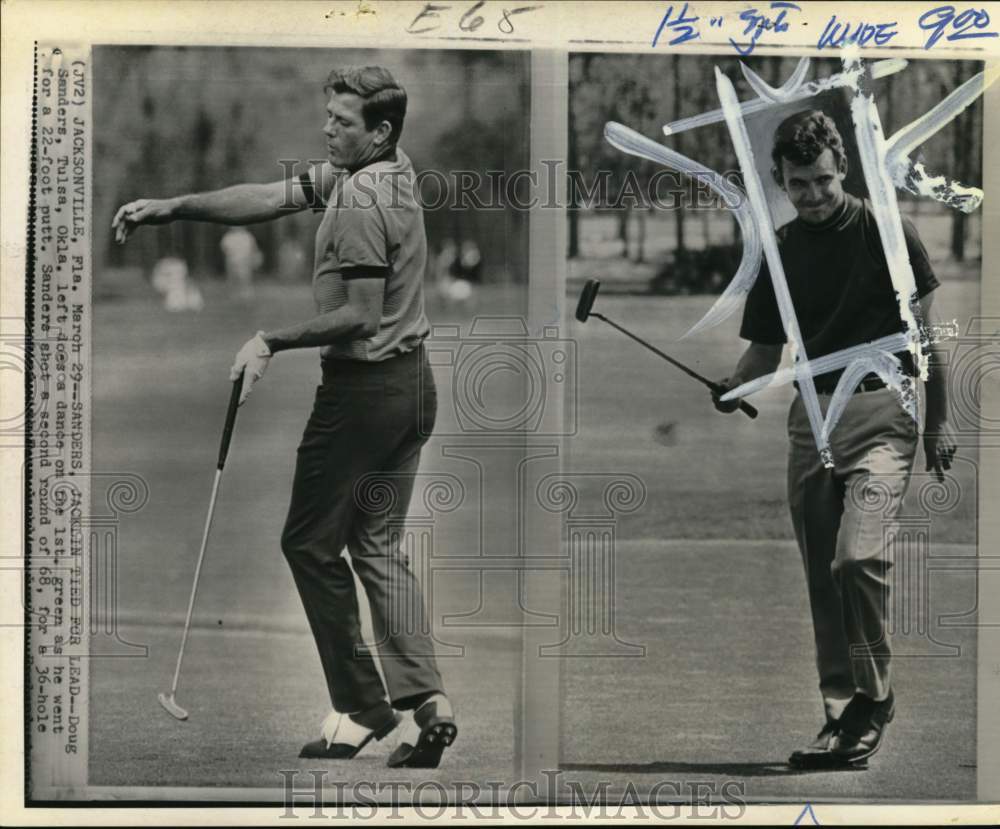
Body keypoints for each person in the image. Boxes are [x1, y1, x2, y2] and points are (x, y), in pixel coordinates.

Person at [112, 66, 457, 768]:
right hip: (413, 387)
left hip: (362, 396)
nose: (328, 127)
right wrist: (174, 205)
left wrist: (269, 339)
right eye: (328, 114)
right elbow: (270, 197)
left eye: (343, 120)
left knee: (308, 543)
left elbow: (357, 317)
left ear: (379, 130)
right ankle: (428, 701)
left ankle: (364, 704)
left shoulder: (360, 198)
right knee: (377, 547)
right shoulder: (388, 168)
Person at [712, 110, 957, 769]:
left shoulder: (891, 235)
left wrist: (938, 423)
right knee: (824, 576)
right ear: (781, 182)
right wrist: (733, 384)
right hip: (811, 426)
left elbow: (927, 341)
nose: (814, 195)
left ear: (842, 168)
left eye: (822, 179)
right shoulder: (782, 251)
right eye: (799, 185)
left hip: (886, 417)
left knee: (858, 559)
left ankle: (875, 698)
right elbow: (764, 355)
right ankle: (840, 713)